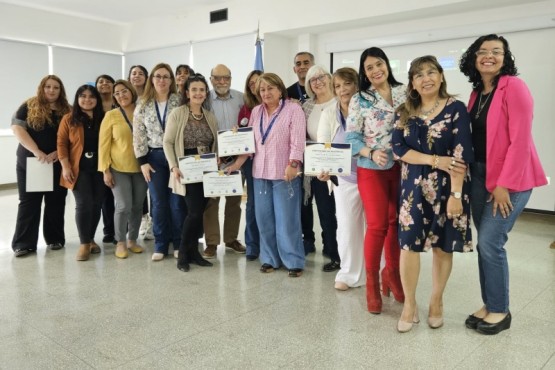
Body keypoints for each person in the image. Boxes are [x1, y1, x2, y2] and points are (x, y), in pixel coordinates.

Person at [459, 34, 547, 335]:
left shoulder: (515, 87)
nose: (489, 56)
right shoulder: (477, 92)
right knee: (485, 244)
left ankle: (500, 310)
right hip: (480, 176)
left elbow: (520, 141)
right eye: (483, 52)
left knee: (490, 243)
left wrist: (504, 185)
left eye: (497, 52)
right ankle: (489, 302)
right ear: (474, 58)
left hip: (511, 180)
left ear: (504, 58)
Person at [392, 55, 474, 332]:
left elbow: (461, 153)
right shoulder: (403, 111)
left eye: (431, 72)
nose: (426, 78)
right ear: (413, 84)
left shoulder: (456, 109)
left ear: (440, 76)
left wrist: (456, 194)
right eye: (419, 75)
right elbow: (398, 149)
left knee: (443, 246)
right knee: (408, 246)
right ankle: (409, 304)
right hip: (412, 189)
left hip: (449, 188)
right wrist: (434, 160)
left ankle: (436, 300)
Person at [345, 47, 406, 314]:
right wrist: (370, 151)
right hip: (371, 168)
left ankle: (392, 273)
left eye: (378, 64)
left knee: (397, 224)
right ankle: (372, 284)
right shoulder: (360, 99)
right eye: (369, 68)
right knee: (379, 224)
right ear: (364, 72)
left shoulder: (406, 92)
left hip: (403, 167)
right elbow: (351, 137)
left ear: (387, 64)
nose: (375, 70)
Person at [249, 73, 306, 277]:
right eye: (262, 89)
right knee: (264, 219)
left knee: (287, 219)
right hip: (260, 173)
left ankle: (293, 260)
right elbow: (251, 141)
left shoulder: (293, 110)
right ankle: (269, 259)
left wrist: (293, 163)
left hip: (285, 173)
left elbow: (298, 141)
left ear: (280, 89)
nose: (266, 93)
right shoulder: (256, 112)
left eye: (270, 88)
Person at [316, 67, 365, 290]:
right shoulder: (329, 113)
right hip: (344, 178)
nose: (342, 89)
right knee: (346, 226)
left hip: (371, 174)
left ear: (356, 85)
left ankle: (379, 274)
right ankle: (348, 274)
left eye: (347, 84)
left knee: (374, 227)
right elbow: (322, 144)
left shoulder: (367, 107)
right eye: (337, 85)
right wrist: (323, 168)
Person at [11, 75, 71, 257]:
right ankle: (23, 244)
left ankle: (55, 239)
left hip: (57, 162)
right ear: (42, 88)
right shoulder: (28, 105)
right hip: (32, 162)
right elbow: (17, 128)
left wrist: (58, 152)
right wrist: (37, 151)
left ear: (61, 91)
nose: (51, 90)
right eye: (48, 87)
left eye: (56, 87)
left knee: (56, 202)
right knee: (29, 203)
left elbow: (75, 134)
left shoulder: (68, 109)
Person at [163, 73, 217, 272]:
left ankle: (194, 253)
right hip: (185, 169)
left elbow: (214, 144)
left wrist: (217, 158)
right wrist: (173, 166)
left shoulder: (210, 116)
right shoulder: (178, 113)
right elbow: (167, 142)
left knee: (199, 212)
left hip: (206, 168)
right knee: (193, 212)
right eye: (194, 89)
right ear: (187, 92)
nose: (198, 93)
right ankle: (183, 255)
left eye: (202, 89)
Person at [133, 62, 186, 261]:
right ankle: (161, 244)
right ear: (151, 80)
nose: (161, 80)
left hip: (175, 156)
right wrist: (142, 161)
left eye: (165, 76)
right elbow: (138, 135)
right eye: (158, 76)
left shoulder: (179, 101)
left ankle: (178, 243)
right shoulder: (143, 104)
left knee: (177, 202)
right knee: (158, 202)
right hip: (154, 157)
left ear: (171, 80)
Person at [98, 79, 148, 259]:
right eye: (117, 93)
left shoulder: (143, 111)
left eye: (124, 91)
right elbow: (103, 145)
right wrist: (105, 170)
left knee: (136, 206)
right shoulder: (111, 115)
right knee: (123, 205)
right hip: (118, 168)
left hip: (142, 168)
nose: (121, 95)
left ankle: (132, 240)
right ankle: (120, 241)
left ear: (132, 92)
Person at [57, 85, 106, 261]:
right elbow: (61, 143)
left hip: (101, 168)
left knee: (97, 203)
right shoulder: (69, 119)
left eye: (91, 96)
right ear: (77, 99)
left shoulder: (104, 117)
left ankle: (91, 238)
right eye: (83, 96)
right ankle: (84, 243)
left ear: (97, 99)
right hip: (79, 168)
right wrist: (66, 166)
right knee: (84, 203)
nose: (87, 99)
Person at [203, 64, 246, 258]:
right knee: (211, 202)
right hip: (212, 158)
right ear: (211, 79)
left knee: (234, 201)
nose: (222, 82)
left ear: (230, 78)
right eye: (218, 78)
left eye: (226, 78)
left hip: (236, 159)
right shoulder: (204, 99)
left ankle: (230, 239)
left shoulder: (240, 98)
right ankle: (211, 242)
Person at [302, 65, 340, 272]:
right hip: (317, 169)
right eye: (312, 80)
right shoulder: (306, 106)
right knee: (325, 213)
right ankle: (333, 254)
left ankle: (345, 253)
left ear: (329, 78)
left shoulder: (342, 101)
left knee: (343, 213)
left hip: (340, 166)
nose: (318, 82)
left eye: (321, 77)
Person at [237, 69, 263, 261]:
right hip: (249, 161)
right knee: (252, 204)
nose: (255, 85)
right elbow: (242, 138)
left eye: (258, 81)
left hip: (271, 161)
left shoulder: (277, 105)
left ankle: (269, 243)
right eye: (251, 83)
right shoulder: (246, 108)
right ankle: (252, 245)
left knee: (268, 205)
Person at [127, 65, 153, 240]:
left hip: (151, 148)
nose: (136, 76)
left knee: (153, 188)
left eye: (140, 73)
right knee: (138, 190)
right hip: (129, 150)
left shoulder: (149, 98)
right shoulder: (125, 97)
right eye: (133, 73)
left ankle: (153, 222)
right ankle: (142, 219)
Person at [96, 74, 117, 245]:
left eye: (108, 82)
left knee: (122, 197)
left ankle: (121, 231)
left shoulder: (120, 104)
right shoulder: (92, 106)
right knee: (106, 196)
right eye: (100, 82)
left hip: (119, 154)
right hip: (99, 155)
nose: (104, 84)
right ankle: (109, 230)